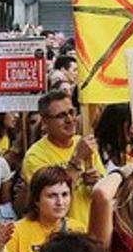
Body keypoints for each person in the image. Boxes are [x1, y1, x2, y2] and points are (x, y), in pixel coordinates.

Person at [21, 90, 105, 231]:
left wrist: (97, 180)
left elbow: (103, 186)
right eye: (61, 116)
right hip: (58, 236)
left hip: (92, 230)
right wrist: (77, 160)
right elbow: (52, 196)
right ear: (45, 121)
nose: (70, 119)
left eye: (71, 112)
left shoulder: (85, 143)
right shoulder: (34, 156)